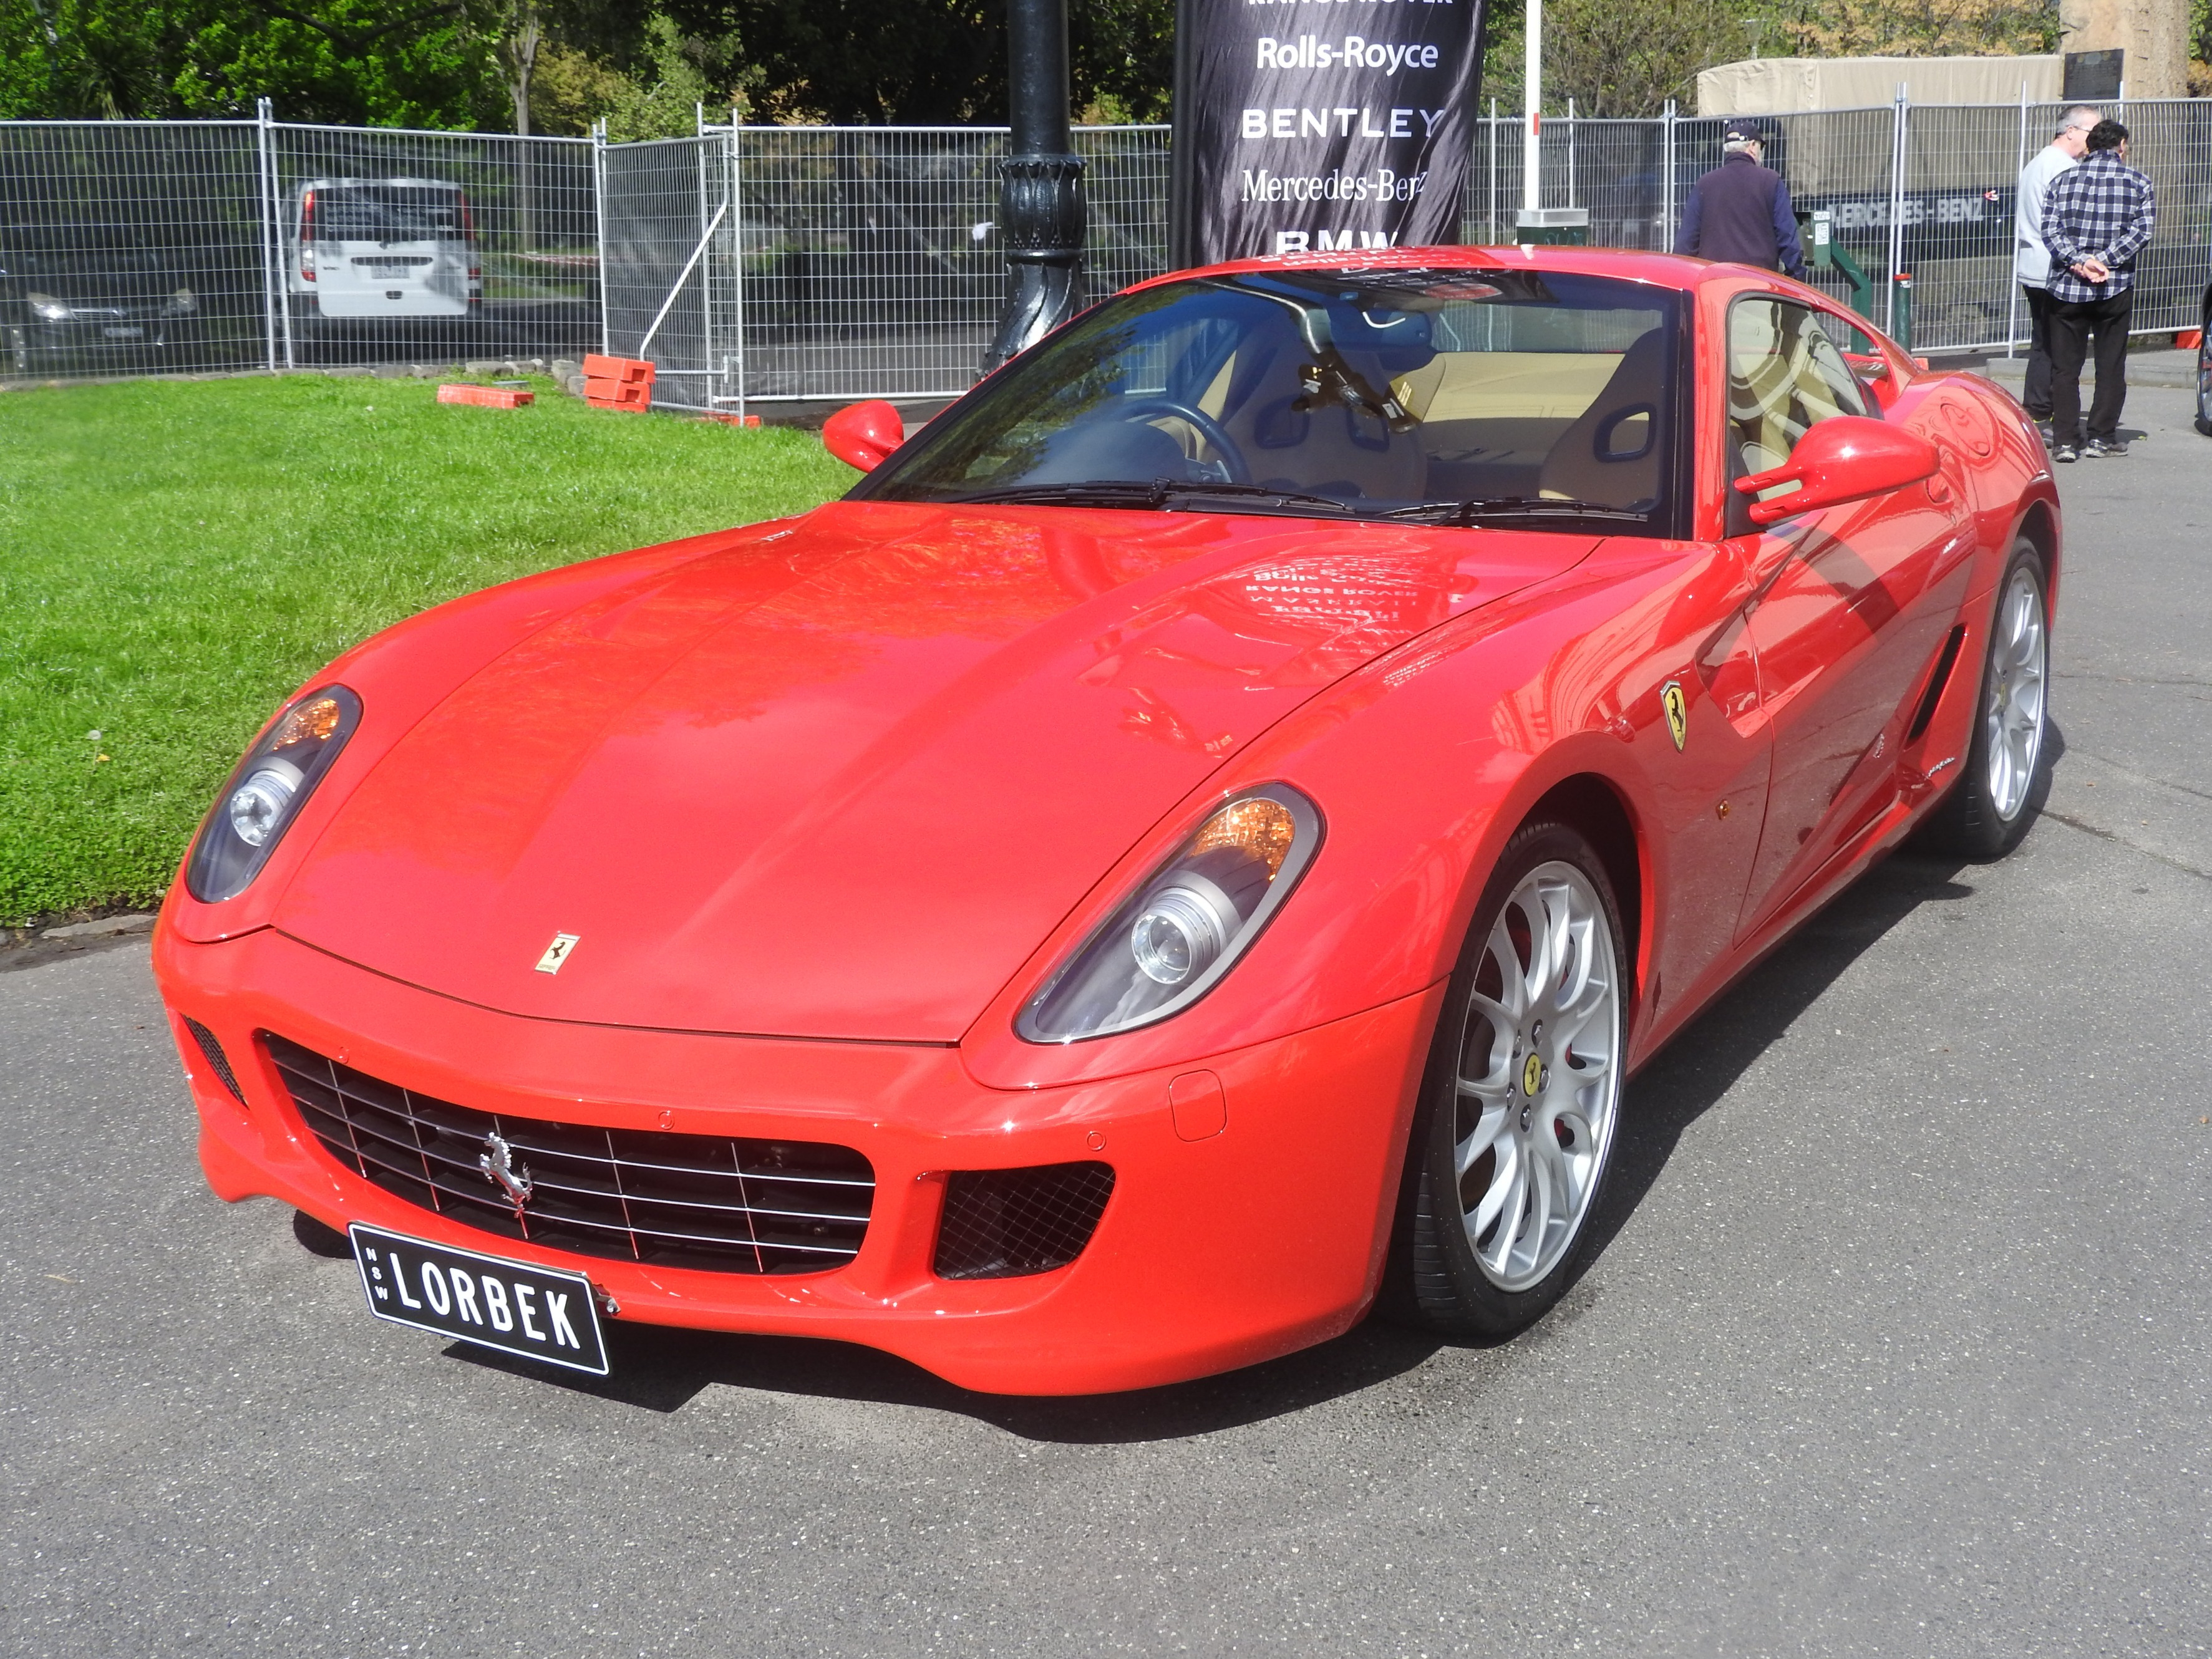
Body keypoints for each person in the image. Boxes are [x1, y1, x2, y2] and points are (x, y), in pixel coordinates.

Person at [2041, 120, 2157, 461]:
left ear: (2089, 147)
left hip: (2066, 286)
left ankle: (2065, 441)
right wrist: (2105, 260)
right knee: (2110, 365)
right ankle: (2101, 438)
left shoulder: (2061, 181)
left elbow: (2049, 230)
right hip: (2115, 285)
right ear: (2121, 146)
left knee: (2065, 369)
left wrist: (2079, 261)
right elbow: (2142, 231)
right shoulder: (2139, 182)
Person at [2014, 105, 2102, 433]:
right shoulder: (2062, 168)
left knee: (2044, 342)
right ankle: (2044, 411)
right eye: (2092, 132)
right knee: (2057, 346)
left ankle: (2039, 409)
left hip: (2035, 265)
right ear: (2071, 131)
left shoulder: (2039, 162)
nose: (2095, 140)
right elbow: (2069, 223)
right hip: (2053, 268)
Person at [1674, 117, 1808, 280]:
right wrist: (1796, 276)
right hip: (1758, 281)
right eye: (1760, 146)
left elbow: (1686, 243)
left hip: (1715, 281)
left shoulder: (1705, 184)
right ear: (1752, 146)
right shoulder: (1770, 181)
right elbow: (1787, 237)